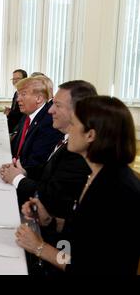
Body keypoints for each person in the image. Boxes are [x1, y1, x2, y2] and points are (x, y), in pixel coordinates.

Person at [16, 96, 140, 275]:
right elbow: (83, 235)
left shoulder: (116, 190)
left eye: (72, 124)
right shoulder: (98, 173)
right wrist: (49, 219)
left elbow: (89, 266)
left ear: (90, 135)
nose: (67, 131)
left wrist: (40, 248)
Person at [0, 81, 97, 217]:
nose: (50, 110)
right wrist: (24, 172)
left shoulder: (78, 151)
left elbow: (54, 198)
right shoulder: (66, 139)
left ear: (77, 112)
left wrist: (17, 178)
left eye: (57, 105)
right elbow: (48, 175)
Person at [8, 76, 62, 169]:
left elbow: (36, 163)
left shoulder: (48, 122)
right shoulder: (29, 114)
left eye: (23, 94)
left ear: (39, 99)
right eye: (18, 94)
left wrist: (17, 167)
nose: (18, 99)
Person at [4, 69, 27, 135]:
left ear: (25, 79)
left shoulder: (25, 94)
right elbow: (16, 110)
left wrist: (10, 113)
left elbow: (21, 115)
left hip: (17, 129)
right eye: (13, 79)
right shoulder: (16, 92)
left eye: (18, 78)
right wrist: (10, 110)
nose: (15, 81)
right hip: (11, 125)